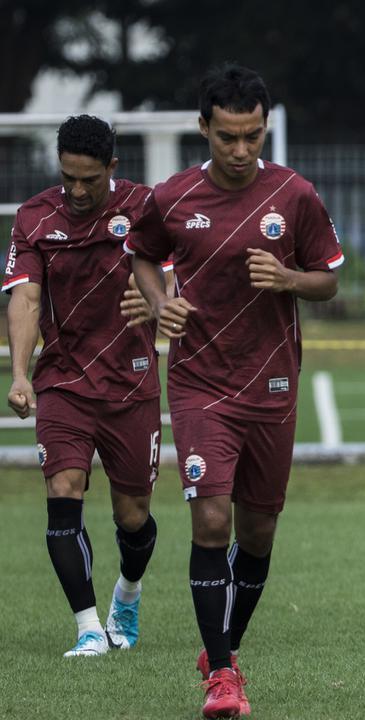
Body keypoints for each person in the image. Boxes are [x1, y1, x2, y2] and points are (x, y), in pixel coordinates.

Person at [124, 63, 343, 718]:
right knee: (211, 518)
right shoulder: (172, 197)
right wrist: (162, 301)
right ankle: (223, 675)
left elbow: (328, 279)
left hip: (273, 382)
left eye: (253, 136)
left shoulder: (295, 195)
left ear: (264, 127)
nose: (242, 151)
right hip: (199, 383)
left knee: (258, 532)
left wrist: (287, 280)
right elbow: (140, 254)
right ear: (204, 129)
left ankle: (224, 648)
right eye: (228, 138)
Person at [4, 114, 162, 657]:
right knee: (62, 491)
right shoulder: (33, 218)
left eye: (88, 179)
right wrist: (21, 373)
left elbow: (181, 270)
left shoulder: (143, 207)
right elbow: (24, 297)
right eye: (67, 176)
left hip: (132, 384)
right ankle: (89, 628)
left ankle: (128, 593)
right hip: (64, 382)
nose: (75, 190)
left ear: (112, 168)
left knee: (133, 516)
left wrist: (159, 298)